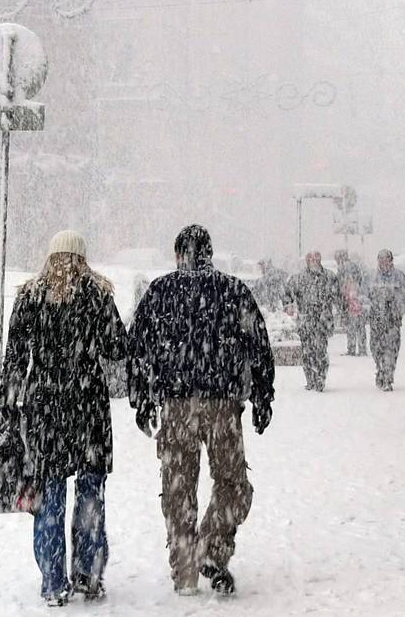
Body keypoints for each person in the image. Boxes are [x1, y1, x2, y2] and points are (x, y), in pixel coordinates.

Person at [127, 224, 275, 596]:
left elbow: (137, 349)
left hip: (177, 408)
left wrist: (141, 398)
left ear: (178, 254)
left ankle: (185, 570)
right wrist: (262, 395)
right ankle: (211, 546)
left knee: (178, 491)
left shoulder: (161, 292)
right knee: (233, 484)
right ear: (210, 253)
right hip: (222, 406)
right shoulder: (231, 291)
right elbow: (258, 345)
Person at [0, 229, 128, 606]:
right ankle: (87, 575)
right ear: (83, 258)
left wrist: (10, 405)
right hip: (88, 409)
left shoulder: (29, 298)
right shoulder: (97, 296)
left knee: (50, 497)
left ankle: (53, 581)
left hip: (46, 412)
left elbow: (15, 359)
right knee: (90, 496)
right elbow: (117, 348)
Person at [284, 251, 340, 392]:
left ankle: (320, 379)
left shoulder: (329, 277)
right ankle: (310, 379)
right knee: (307, 352)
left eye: (316, 258)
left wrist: (340, 309)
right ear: (307, 261)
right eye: (311, 258)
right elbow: (287, 293)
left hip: (322, 320)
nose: (314, 261)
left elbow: (338, 296)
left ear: (320, 259)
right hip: (306, 321)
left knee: (320, 350)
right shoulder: (299, 278)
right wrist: (288, 305)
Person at [365, 249, 405, 391]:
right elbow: (364, 297)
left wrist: (397, 312)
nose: (383, 262)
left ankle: (388, 377)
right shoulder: (371, 277)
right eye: (381, 259)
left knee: (391, 350)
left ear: (391, 261)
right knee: (376, 349)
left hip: (392, 321)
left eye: (386, 259)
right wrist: (369, 311)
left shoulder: (399, 277)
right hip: (376, 321)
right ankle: (380, 368)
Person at [334, 249, 367, 356]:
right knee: (359, 326)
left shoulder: (345, 267)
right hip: (355, 300)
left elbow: (344, 284)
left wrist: (344, 296)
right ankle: (361, 348)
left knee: (352, 326)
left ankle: (353, 349)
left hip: (351, 300)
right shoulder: (352, 266)